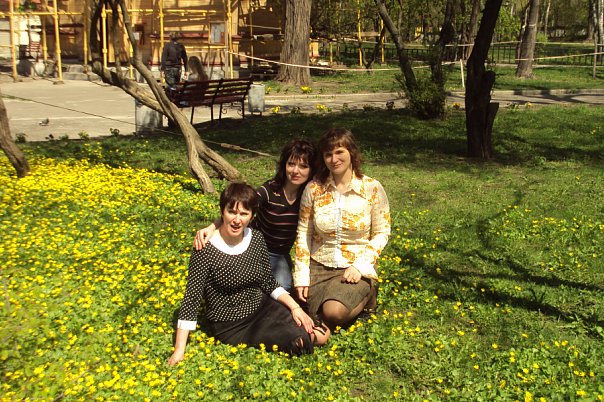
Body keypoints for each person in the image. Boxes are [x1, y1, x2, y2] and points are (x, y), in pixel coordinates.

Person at [168, 182, 329, 365]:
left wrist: (295, 308)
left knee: (321, 332)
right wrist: (179, 350)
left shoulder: (256, 239)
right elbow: (192, 298)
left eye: (244, 213)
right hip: (232, 324)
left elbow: (268, 282)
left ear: (252, 216)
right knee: (301, 340)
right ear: (222, 212)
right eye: (232, 212)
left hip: (263, 306)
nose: (237, 220)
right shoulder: (204, 248)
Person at [293, 128, 391, 328]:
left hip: (354, 266)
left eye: (339, 152)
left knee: (333, 313)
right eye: (328, 154)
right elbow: (304, 233)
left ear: (351, 153)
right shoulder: (314, 189)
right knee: (308, 312)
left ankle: (368, 294)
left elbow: (382, 232)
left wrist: (361, 265)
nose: (334, 159)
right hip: (319, 265)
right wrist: (301, 275)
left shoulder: (372, 188)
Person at [194, 140, 317, 292]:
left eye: (303, 166)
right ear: (284, 165)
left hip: (279, 255)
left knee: (282, 288)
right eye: (291, 164)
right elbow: (240, 208)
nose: (295, 171)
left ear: (312, 169)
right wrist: (212, 227)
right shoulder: (269, 190)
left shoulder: (309, 195)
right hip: (253, 247)